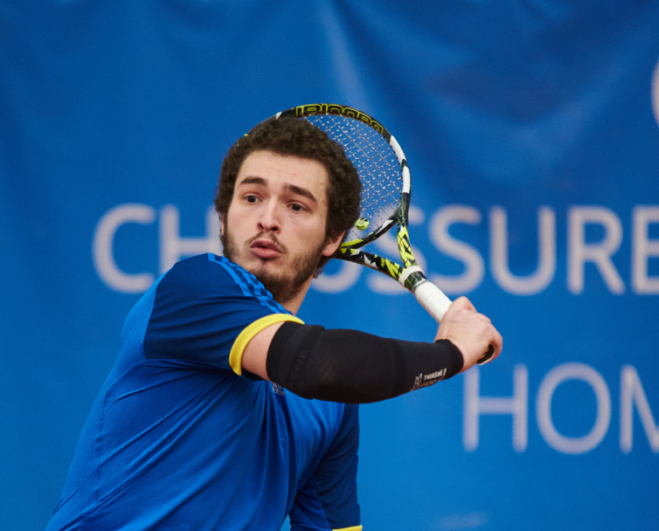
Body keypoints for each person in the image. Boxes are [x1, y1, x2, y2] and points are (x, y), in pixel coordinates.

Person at [46, 117, 502, 531]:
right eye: (251, 197)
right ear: (224, 217)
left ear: (333, 238)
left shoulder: (331, 407)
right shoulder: (194, 287)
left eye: (297, 206)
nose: (267, 219)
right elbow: (320, 365)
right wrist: (453, 352)